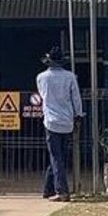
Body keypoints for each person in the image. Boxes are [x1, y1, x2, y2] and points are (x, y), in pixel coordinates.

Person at [37, 46, 83, 201]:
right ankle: (47, 189)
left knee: (56, 157)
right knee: (60, 156)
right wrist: (78, 115)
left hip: (51, 121)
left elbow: (43, 96)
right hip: (67, 120)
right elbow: (75, 98)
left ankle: (61, 190)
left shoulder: (41, 78)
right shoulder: (70, 77)